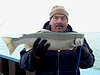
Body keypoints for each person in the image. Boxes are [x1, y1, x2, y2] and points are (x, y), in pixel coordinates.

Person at [19, 5, 95, 75]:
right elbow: (24, 64)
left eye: (63, 18)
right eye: (55, 18)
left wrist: (85, 55)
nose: (59, 21)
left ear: (67, 22)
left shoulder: (77, 38)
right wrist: (35, 55)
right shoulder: (38, 37)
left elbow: (89, 64)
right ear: (50, 21)